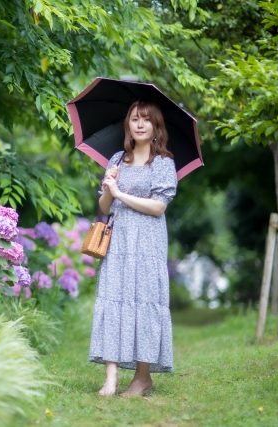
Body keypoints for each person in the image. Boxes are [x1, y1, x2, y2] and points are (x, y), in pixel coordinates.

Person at [90, 100, 177, 397]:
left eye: (146, 120)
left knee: (145, 302)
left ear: (156, 126)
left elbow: (157, 207)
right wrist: (108, 187)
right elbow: (105, 207)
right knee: (113, 298)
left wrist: (120, 194)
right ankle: (111, 378)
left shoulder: (164, 163)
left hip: (148, 242)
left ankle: (142, 378)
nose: (139, 124)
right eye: (134, 119)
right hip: (118, 241)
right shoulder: (116, 159)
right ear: (128, 124)